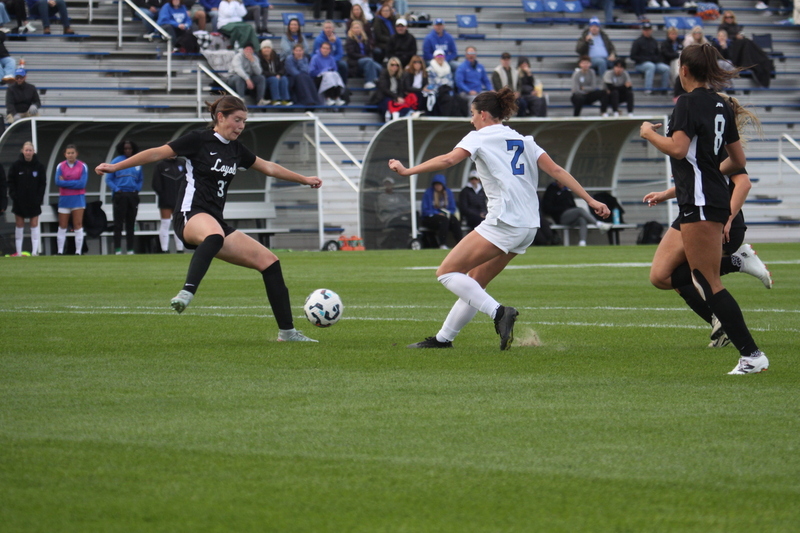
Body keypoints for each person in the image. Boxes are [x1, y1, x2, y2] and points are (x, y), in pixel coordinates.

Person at [388, 88, 610, 350]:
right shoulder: (524, 140)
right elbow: (556, 170)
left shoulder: (479, 137)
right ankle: (443, 339)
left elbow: (449, 159)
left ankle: (499, 313)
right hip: (529, 225)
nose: (471, 120)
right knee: (475, 282)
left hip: (505, 221)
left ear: (482, 114)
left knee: (446, 272)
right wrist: (590, 199)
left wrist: (407, 171)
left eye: (472, 114)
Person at [95, 95, 322, 342]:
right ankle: (187, 292)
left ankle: (287, 333)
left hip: (214, 220)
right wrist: (117, 167)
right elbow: (156, 153)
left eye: (244, 121)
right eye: (237, 120)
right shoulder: (198, 139)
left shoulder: (236, 149)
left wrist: (305, 179)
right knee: (214, 235)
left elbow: (268, 167)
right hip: (189, 214)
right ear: (220, 117)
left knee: (269, 262)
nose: (241, 126)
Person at [639, 43, 768, 375]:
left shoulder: (685, 103)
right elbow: (738, 161)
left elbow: (678, 150)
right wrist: (709, 172)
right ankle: (736, 264)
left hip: (698, 199)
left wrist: (648, 134)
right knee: (679, 276)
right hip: (706, 196)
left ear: (683, 71)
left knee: (709, 282)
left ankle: (752, 355)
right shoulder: (721, 105)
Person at [541, 180, 613, 246]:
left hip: (570, 216)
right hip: (560, 217)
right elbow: (547, 207)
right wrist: (562, 209)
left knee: (582, 220)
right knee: (580, 210)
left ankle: (582, 242)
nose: (561, 183)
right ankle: (599, 224)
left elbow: (573, 205)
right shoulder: (551, 190)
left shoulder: (566, 191)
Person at [105, 140, 144, 255]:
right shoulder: (116, 162)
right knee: (118, 223)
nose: (127, 151)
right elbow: (108, 179)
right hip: (120, 195)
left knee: (131, 223)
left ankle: (130, 249)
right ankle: (117, 249)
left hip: (132, 195)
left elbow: (140, 179)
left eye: (130, 148)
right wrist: (117, 190)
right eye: (125, 148)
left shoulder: (137, 162)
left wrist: (137, 189)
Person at [7, 141, 46, 256]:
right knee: (19, 225)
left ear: (33, 152)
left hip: (34, 201)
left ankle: (34, 252)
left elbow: (42, 184)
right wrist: (14, 196)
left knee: (34, 224)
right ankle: (18, 252)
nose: (28, 152)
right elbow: (11, 182)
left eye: (30, 150)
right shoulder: (15, 166)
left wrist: (38, 198)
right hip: (19, 201)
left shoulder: (39, 166)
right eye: (26, 150)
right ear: (22, 151)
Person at [54, 144, 88, 255]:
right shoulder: (60, 166)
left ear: (76, 154)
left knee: (77, 225)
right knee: (62, 225)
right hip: (64, 199)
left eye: (72, 153)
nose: (70, 155)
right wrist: (74, 182)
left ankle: (78, 251)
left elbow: (82, 183)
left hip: (78, 199)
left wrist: (66, 183)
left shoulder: (82, 166)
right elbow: (58, 182)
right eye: (68, 153)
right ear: (65, 154)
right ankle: (60, 251)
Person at [151, 154, 186, 253]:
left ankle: (180, 249)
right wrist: (163, 195)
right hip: (165, 200)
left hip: (180, 200)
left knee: (179, 224)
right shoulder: (160, 165)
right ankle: (164, 249)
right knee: (165, 223)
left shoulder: (182, 163)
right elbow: (156, 184)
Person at [420, 174, 461, 249]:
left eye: (440, 184)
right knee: (443, 220)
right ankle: (442, 244)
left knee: (454, 220)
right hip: (430, 217)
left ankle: (461, 244)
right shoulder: (428, 193)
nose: (438, 186)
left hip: (445, 215)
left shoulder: (448, 192)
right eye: (436, 184)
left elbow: (452, 208)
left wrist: (446, 213)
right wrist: (437, 213)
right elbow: (425, 210)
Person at [630, 22, 671, 95]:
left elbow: (658, 54)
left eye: (648, 30)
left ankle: (664, 89)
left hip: (653, 62)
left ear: (651, 30)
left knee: (666, 68)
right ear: (643, 30)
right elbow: (633, 56)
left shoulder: (654, 41)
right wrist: (644, 59)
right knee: (650, 66)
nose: (647, 31)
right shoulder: (638, 41)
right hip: (640, 64)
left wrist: (656, 59)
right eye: (645, 30)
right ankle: (648, 89)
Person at [375, 176, 411, 249]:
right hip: (389, 219)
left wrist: (399, 209)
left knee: (405, 227)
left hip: (400, 217)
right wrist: (399, 208)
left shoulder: (399, 196)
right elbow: (386, 208)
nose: (388, 186)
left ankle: (401, 245)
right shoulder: (381, 197)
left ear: (393, 185)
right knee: (402, 226)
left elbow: (407, 206)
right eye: (386, 184)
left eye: (389, 184)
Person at [375, 56, 416, 120]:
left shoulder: (400, 75)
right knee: (389, 102)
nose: (395, 66)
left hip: (396, 96)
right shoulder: (384, 73)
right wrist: (396, 97)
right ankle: (392, 115)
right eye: (392, 65)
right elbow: (384, 89)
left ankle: (410, 112)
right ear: (389, 65)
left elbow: (401, 89)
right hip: (385, 96)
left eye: (397, 65)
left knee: (404, 102)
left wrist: (399, 97)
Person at [344, 20, 381, 89]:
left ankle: (376, 80)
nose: (357, 29)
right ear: (351, 29)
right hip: (355, 62)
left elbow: (369, 51)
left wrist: (368, 55)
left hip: (367, 60)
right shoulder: (349, 39)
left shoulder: (364, 39)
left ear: (361, 29)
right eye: (355, 28)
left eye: (358, 27)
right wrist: (364, 57)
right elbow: (351, 53)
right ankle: (369, 81)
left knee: (379, 68)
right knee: (369, 61)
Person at [309, 41, 346, 106]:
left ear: (330, 50)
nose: (325, 50)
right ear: (320, 49)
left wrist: (329, 71)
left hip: (330, 77)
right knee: (328, 75)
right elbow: (311, 72)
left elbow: (335, 69)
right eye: (324, 48)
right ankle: (327, 98)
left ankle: (337, 97)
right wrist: (323, 71)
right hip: (317, 78)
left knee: (335, 75)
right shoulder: (315, 58)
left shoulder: (331, 58)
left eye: (327, 49)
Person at [456, 46, 491, 111]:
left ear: (475, 54)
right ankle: (472, 119)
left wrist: (491, 89)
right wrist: (469, 91)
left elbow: (486, 80)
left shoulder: (480, 67)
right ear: (466, 55)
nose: (471, 55)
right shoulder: (461, 67)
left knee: (490, 97)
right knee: (474, 99)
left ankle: (489, 119)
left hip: (478, 91)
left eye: (472, 53)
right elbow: (459, 83)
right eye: (469, 53)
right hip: (465, 93)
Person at [313, 20, 348, 85]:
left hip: (334, 60)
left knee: (343, 65)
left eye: (329, 28)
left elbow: (340, 53)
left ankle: (343, 86)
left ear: (333, 28)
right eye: (326, 28)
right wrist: (331, 43)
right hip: (321, 61)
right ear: (323, 29)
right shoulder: (318, 39)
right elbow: (317, 53)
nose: (328, 30)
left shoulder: (337, 39)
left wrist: (332, 60)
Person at [258, 39, 291, 105]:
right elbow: (261, 71)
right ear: (261, 49)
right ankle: (275, 99)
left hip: (276, 76)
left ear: (271, 49)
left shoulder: (276, 57)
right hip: (266, 78)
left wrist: (279, 74)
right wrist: (274, 75)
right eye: (264, 48)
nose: (266, 49)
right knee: (274, 79)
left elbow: (282, 68)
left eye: (268, 48)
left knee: (284, 79)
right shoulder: (259, 58)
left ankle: (285, 99)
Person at [425, 49, 457, 116]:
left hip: (446, 90)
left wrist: (445, 87)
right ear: (435, 57)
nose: (440, 58)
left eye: (441, 56)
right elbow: (431, 82)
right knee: (447, 99)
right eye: (438, 56)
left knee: (455, 98)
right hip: (436, 91)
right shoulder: (430, 69)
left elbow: (450, 81)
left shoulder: (447, 68)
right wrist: (442, 86)